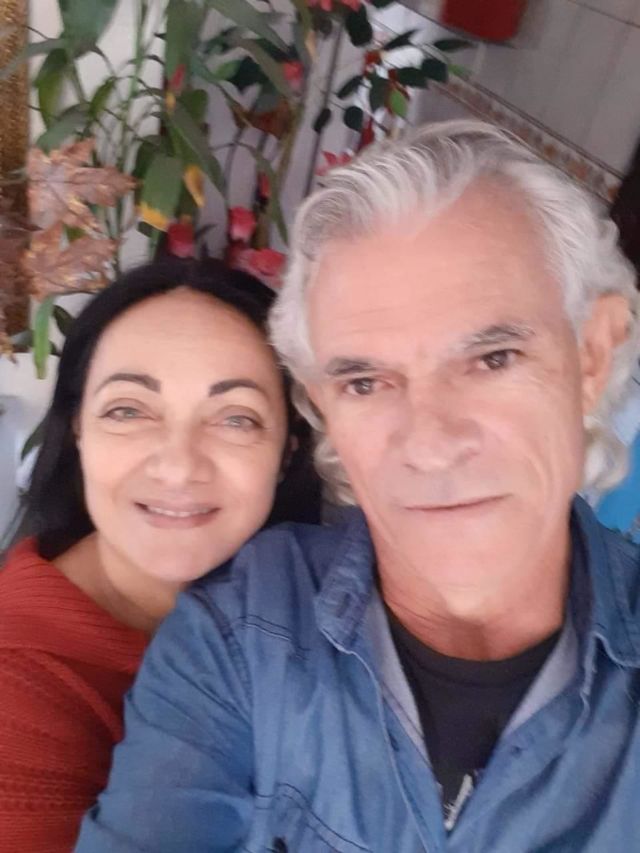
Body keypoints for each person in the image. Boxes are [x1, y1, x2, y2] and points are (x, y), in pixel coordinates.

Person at [75, 121, 640, 853]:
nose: (430, 444)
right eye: (365, 382)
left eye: (494, 357)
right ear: (324, 410)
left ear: (593, 354)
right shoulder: (240, 637)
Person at [0, 257, 320, 853]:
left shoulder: (321, 605)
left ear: (287, 450)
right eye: (128, 410)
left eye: (235, 418)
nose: (177, 466)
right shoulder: (16, 687)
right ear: (78, 429)